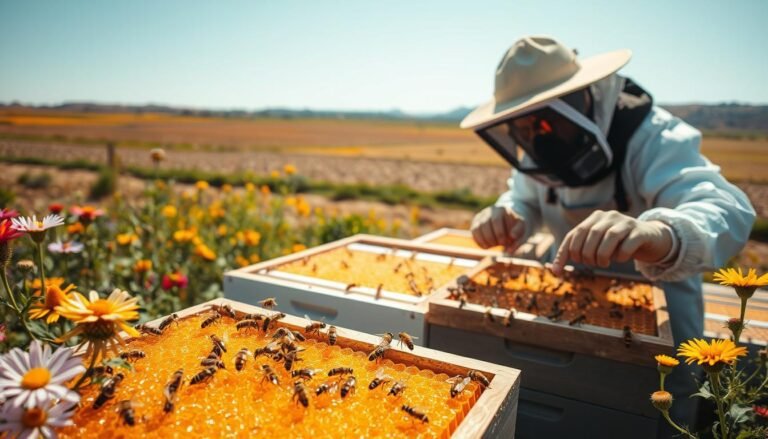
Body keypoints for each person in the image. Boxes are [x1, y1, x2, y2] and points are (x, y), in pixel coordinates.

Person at [462, 35, 755, 433]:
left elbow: (727, 210)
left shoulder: (654, 136)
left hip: (659, 316)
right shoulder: (539, 148)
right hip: (567, 308)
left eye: (545, 121)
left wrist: (656, 231)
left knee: (659, 416)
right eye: (523, 127)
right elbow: (525, 196)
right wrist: (511, 214)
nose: (536, 137)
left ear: (580, 100)